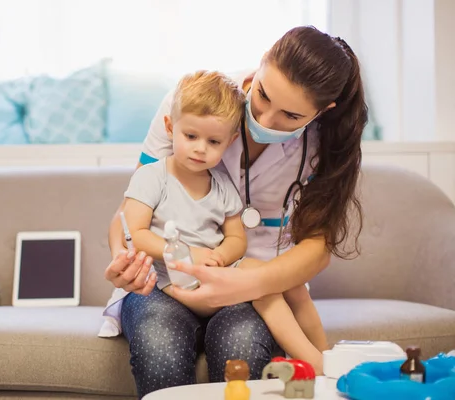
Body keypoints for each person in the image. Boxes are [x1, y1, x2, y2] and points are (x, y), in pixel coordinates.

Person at [103, 25, 368, 398]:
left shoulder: (326, 143)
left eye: (290, 116)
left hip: (252, 279)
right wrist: (125, 260)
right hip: (165, 278)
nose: (265, 117)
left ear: (322, 112)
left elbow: (317, 247)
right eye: (262, 94)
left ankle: (323, 368)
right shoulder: (195, 102)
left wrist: (248, 282)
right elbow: (130, 216)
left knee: (240, 343)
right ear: (261, 63)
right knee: (158, 342)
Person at [122, 69, 247, 314]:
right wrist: (189, 255)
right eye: (191, 136)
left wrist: (219, 255)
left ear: (230, 142)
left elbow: (237, 239)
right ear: (169, 127)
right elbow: (135, 234)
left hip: (214, 277)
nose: (200, 149)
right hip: (167, 283)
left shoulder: (223, 185)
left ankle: (313, 352)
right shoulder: (151, 177)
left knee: (263, 278)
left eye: (214, 142)